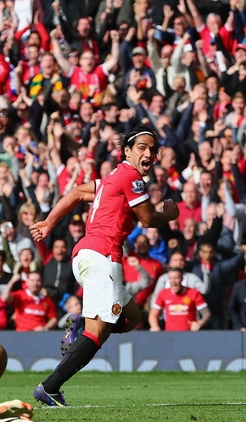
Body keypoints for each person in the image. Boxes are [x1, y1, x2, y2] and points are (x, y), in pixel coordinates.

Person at [28, 125, 179, 406]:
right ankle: (49, 387)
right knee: (98, 331)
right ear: (127, 152)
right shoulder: (131, 177)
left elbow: (74, 193)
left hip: (86, 254)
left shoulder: (110, 178)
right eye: (142, 148)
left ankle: (79, 331)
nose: (148, 153)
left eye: (152, 149)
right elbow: (147, 219)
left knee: (131, 317)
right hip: (103, 257)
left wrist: (50, 222)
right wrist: (167, 214)